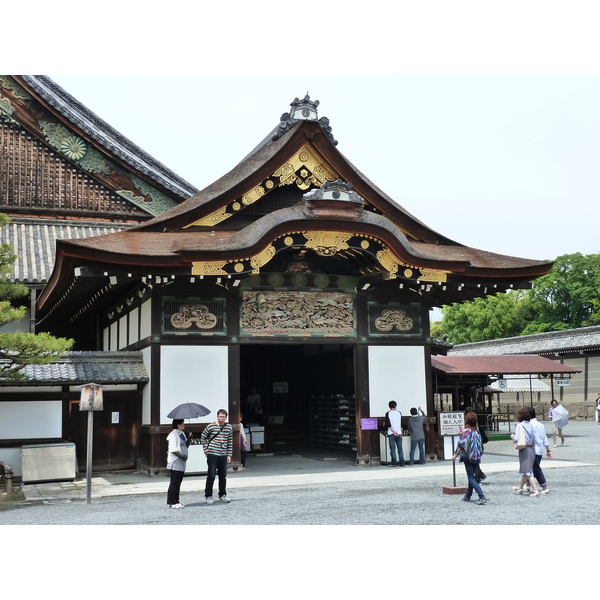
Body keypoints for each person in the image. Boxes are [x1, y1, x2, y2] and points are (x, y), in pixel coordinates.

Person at [451, 412, 487, 505]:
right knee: (471, 476)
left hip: (468, 456)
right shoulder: (477, 432)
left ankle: (481, 496)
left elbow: (461, 445)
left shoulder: (465, 432)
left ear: (466, 421)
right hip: (476, 456)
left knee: (471, 477)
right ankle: (468, 495)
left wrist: (455, 455)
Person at [201, 408, 233, 504]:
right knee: (211, 475)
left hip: (223, 454)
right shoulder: (211, 426)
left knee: (223, 475)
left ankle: (222, 494)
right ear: (217, 416)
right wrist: (206, 449)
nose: (221, 419)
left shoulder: (229, 428)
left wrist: (229, 454)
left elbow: (230, 441)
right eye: (220, 417)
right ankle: (208, 495)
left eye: (223, 417)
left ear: (226, 417)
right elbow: (203, 437)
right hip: (213, 453)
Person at [510, 408, 540, 497]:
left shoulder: (519, 426)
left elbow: (516, 439)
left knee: (528, 472)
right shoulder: (531, 425)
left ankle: (535, 490)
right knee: (525, 470)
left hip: (524, 449)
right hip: (532, 449)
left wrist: (512, 436)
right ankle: (520, 487)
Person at [526, 406, 552, 494]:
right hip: (539, 450)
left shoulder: (529, 426)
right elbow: (544, 438)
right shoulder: (541, 425)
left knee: (535, 468)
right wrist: (548, 450)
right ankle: (527, 484)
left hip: (531, 450)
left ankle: (544, 486)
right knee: (531, 468)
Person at [166, 419, 190, 509]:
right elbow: (173, 449)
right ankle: (172, 502)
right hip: (176, 459)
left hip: (182, 460)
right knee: (174, 482)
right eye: (182, 423)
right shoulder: (173, 435)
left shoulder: (182, 433)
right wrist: (182, 456)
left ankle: (176, 500)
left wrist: (190, 438)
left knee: (179, 481)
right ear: (178, 425)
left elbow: (185, 445)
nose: (184, 425)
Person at [386, 400, 405, 467]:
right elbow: (401, 424)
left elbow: (388, 424)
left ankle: (394, 463)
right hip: (399, 432)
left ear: (389, 406)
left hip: (391, 433)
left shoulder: (388, 413)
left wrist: (393, 431)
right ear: (395, 406)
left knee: (392, 449)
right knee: (400, 448)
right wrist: (401, 432)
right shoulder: (399, 413)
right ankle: (402, 462)